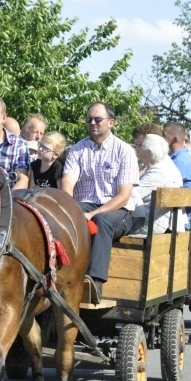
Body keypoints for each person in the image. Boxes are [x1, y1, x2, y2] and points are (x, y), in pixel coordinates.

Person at [61, 102, 138, 301]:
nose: (92, 123)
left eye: (97, 119)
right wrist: (69, 208)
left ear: (110, 122)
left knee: (102, 221)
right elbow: (68, 181)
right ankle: (60, 274)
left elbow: (123, 196)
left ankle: (94, 282)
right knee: (61, 220)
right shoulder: (77, 150)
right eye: (89, 119)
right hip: (85, 203)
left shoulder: (124, 151)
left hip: (118, 209)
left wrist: (92, 215)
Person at [128, 134, 183, 237]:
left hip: (148, 223)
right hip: (144, 218)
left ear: (148, 152)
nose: (135, 147)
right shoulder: (147, 167)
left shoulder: (157, 173)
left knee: (107, 224)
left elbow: (129, 195)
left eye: (138, 145)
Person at [162, 122, 191, 189]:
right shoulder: (180, 157)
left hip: (183, 198)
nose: (161, 139)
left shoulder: (179, 161)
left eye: (164, 136)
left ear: (174, 140)